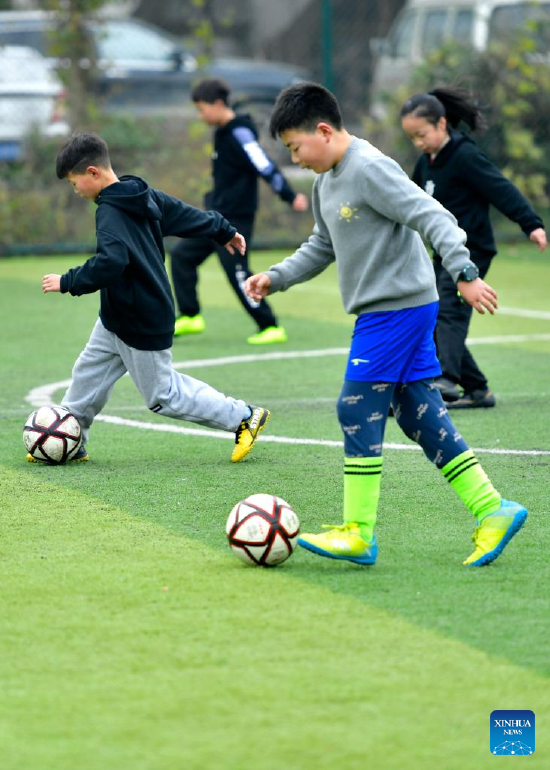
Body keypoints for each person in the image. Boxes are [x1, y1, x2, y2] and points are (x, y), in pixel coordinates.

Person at [245, 82, 527, 568]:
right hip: (390, 309)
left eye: (295, 147)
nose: (295, 158)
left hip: (396, 308)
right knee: (419, 415)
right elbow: (322, 244)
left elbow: (433, 215)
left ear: (325, 130)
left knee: (354, 408)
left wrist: (464, 272)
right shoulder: (325, 181)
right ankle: (493, 509)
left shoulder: (370, 167)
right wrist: (277, 277)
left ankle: (358, 532)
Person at [34, 132, 270, 464]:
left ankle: (243, 417)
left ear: (92, 173)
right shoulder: (139, 192)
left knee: (164, 396)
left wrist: (68, 281)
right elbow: (181, 213)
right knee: (88, 372)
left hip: (142, 316)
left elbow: (111, 262)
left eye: (74, 184)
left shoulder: (109, 212)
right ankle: (71, 437)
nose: (75, 192)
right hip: (118, 315)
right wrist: (222, 229)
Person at [400, 87, 547, 408]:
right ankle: (478, 389)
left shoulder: (465, 156)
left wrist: (531, 223)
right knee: (433, 313)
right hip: (442, 252)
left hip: (472, 250)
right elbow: (406, 199)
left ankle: (447, 379)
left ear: (441, 124)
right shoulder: (427, 163)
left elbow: (501, 189)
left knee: (449, 309)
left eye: (422, 135)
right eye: (412, 138)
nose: (418, 144)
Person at [170, 77, 309, 345]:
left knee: (237, 273)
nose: (200, 115)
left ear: (219, 104)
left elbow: (264, 165)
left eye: (202, 109)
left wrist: (289, 196)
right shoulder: (223, 133)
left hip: (235, 220)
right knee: (181, 256)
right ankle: (190, 315)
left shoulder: (239, 132)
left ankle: (270, 326)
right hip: (215, 218)